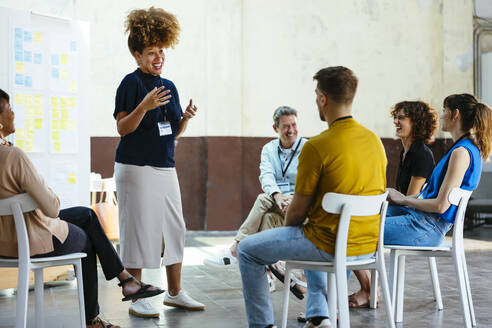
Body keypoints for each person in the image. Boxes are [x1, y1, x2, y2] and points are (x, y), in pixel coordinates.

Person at [238, 66, 387, 328]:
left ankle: (262, 325)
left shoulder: (316, 146)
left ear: (323, 99)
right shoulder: (375, 141)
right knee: (315, 231)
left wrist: (285, 236)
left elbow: (295, 214)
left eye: (316, 95)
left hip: (328, 245)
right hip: (366, 245)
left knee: (248, 250)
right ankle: (319, 316)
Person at [0, 89, 164, 328]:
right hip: (28, 240)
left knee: (87, 214)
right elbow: (53, 208)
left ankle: (126, 280)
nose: (14, 113)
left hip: (3, 242)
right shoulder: (13, 156)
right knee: (87, 239)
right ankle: (94, 318)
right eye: (9, 109)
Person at [354, 93, 492, 307]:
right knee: (356, 217)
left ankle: (354, 295)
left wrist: (405, 200)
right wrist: (402, 199)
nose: (443, 115)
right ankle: (362, 291)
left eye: (445, 110)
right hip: (422, 222)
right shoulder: (464, 149)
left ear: (455, 114)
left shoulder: (462, 153)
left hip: (425, 227)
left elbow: (440, 205)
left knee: (352, 229)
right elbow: (433, 196)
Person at [113, 7, 204, 318]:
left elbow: (173, 130)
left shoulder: (170, 86)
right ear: (137, 55)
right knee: (137, 230)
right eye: (152, 52)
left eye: (162, 50)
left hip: (165, 166)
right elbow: (123, 129)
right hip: (135, 168)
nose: (159, 57)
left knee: (175, 228)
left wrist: (187, 119)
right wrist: (144, 105)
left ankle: (175, 292)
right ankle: (137, 294)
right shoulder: (130, 84)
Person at [203, 106, 308, 297]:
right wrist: (277, 196)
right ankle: (269, 274)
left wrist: (293, 199)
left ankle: (237, 248)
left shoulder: (307, 148)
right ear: (276, 128)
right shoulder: (269, 149)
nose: (291, 130)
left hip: (300, 209)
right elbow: (266, 176)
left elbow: (309, 180)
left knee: (262, 203)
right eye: (285, 126)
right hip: (278, 204)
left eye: (293, 125)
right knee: (266, 213)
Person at [349, 100, 439, 308]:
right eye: (395, 117)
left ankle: (367, 290)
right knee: (354, 219)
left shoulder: (422, 154)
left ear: (415, 123)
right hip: (402, 210)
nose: (396, 122)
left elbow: (410, 199)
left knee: (355, 229)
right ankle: (369, 289)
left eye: (402, 118)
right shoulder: (406, 151)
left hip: (413, 217)